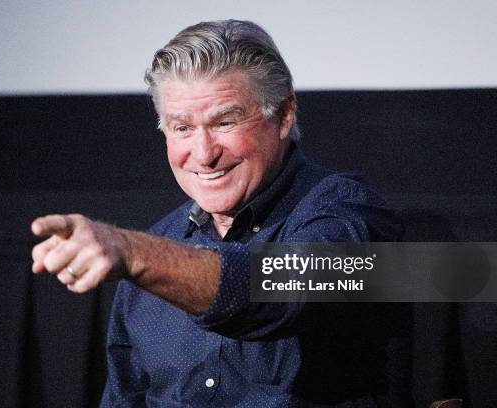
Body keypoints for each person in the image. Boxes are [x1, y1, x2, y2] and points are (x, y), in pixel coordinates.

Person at [31, 20, 411, 407]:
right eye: (182, 128)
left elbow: (288, 294)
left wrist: (135, 254)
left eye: (224, 122)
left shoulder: (345, 209)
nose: (203, 153)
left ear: (283, 116)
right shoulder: (152, 253)